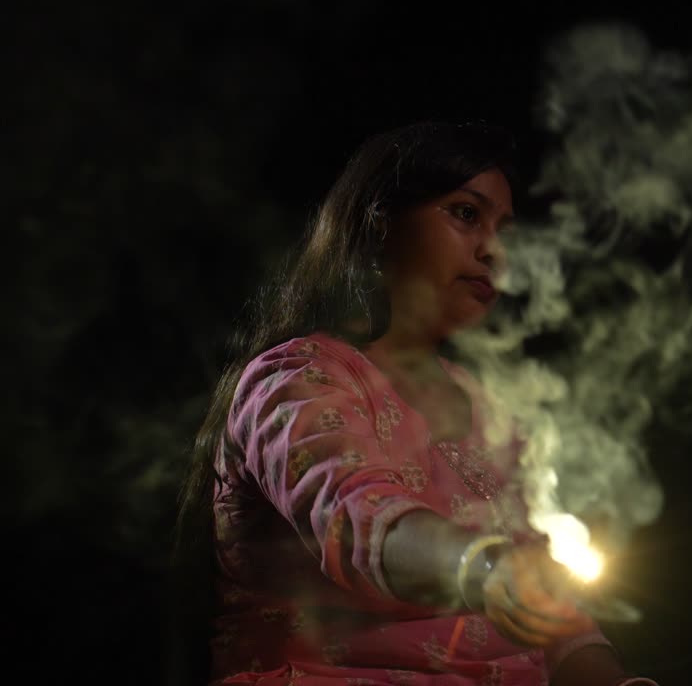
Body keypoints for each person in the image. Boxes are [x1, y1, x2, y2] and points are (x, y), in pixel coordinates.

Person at [171, 120, 657, 686]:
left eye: (505, 230)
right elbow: (358, 521)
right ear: (379, 224)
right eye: (466, 214)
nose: (494, 252)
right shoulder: (298, 377)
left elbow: (555, 611)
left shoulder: (494, 409)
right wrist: (483, 569)